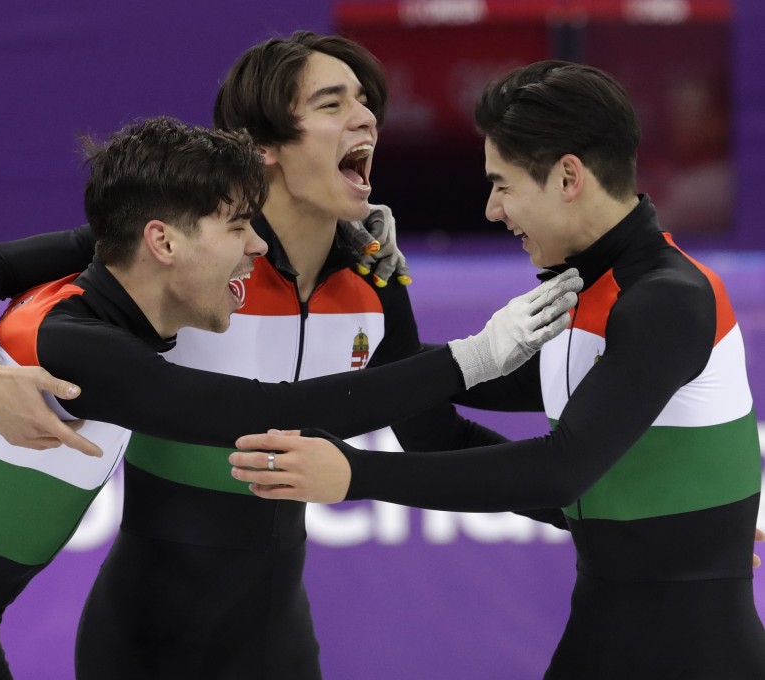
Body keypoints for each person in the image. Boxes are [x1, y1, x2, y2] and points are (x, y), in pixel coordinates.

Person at [0, 115, 578, 679]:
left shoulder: (112, 276)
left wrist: (344, 238)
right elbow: (259, 412)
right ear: (165, 242)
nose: (257, 248)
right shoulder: (73, 346)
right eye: (238, 227)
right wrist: (471, 358)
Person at [229, 60, 765, 679]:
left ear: (568, 177)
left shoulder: (666, 299)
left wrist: (356, 473)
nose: (490, 210)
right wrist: (367, 301)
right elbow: (433, 391)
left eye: (502, 185)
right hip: (602, 641)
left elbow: (560, 471)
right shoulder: (586, 293)